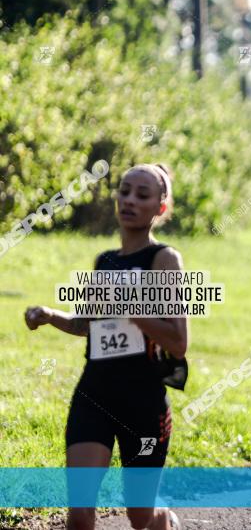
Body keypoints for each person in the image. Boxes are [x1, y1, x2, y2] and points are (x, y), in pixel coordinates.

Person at [24, 164, 186, 530]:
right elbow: (90, 325)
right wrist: (51, 315)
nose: (129, 200)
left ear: (160, 207)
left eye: (142, 195)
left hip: (143, 402)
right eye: (124, 191)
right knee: (80, 512)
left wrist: (131, 307)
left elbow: (178, 342)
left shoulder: (164, 260)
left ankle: (165, 518)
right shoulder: (105, 262)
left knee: (140, 515)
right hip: (94, 394)